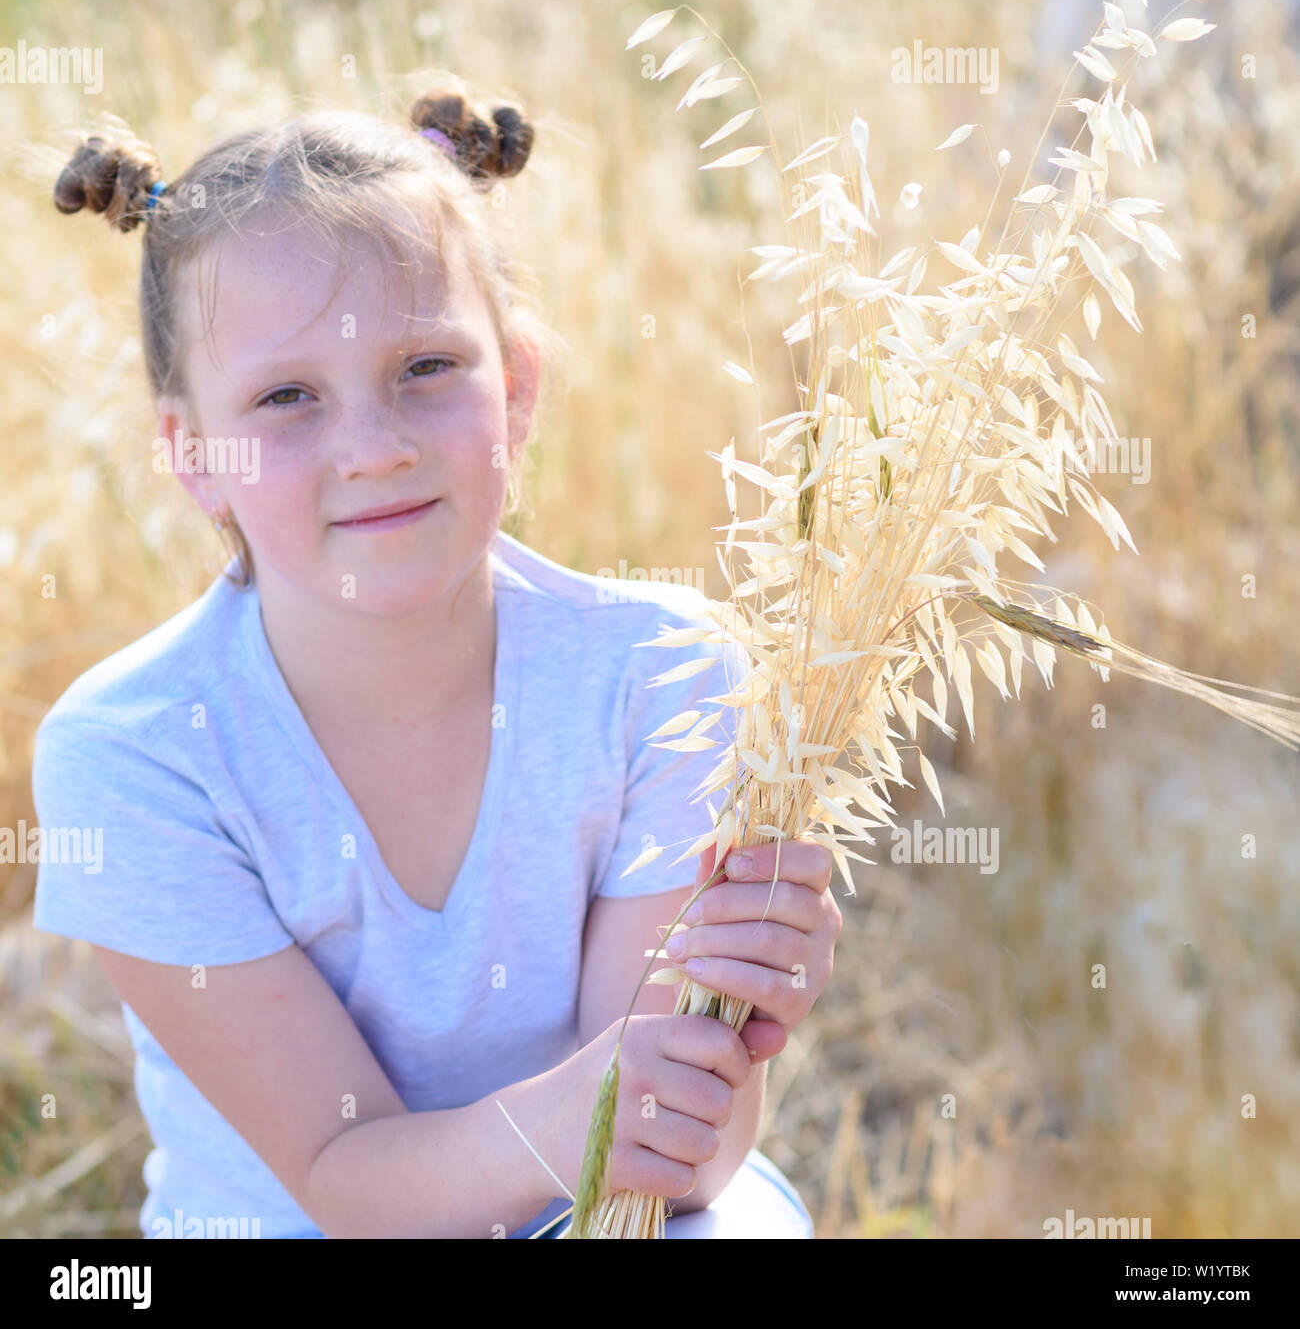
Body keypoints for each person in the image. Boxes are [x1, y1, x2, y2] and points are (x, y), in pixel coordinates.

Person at [31, 77, 838, 1239]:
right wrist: (589, 1111)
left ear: (513, 388)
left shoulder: (660, 676)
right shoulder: (137, 753)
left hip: (592, 1207)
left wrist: (732, 1024)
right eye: (287, 397)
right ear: (191, 451)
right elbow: (341, 1173)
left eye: (424, 369)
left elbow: (672, 1170)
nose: (371, 447)